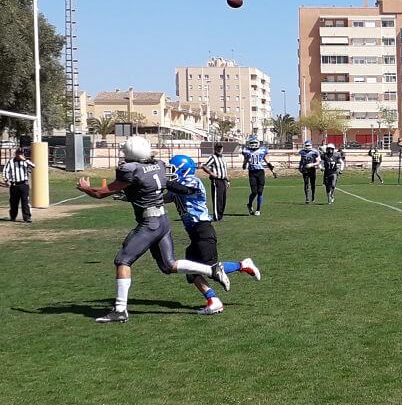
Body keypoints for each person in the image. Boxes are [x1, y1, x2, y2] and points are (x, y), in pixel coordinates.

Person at [75, 136, 231, 324]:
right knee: (168, 265)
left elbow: (100, 193)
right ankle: (211, 270)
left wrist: (85, 188)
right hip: (163, 221)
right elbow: (142, 185)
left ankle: (120, 309)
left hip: (150, 223)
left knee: (122, 260)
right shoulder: (158, 164)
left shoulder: (131, 170)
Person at [165, 154, 262, 315]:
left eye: (173, 169)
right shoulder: (176, 187)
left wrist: (164, 182)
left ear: (183, 169)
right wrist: (133, 196)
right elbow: (161, 198)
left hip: (203, 230)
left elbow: (185, 190)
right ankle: (213, 300)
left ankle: (243, 265)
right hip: (193, 234)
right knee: (191, 272)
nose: (169, 172)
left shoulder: (192, 182)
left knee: (211, 269)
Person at [241, 135, 276, 216]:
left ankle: (258, 209)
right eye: (251, 143)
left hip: (260, 172)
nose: (253, 144)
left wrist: (273, 171)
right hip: (252, 172)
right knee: (254, 192)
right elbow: (246, 159)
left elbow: (267, 161)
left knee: (260, 192)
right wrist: (244, 164)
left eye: (254, 142)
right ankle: (249, 204)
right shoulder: (246, 151)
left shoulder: (262, 150)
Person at [2, 148, 35, 223]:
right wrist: (6, 180)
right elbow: (5, 171)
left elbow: (33, 166)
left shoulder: (25, 162)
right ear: (16, 154)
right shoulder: (10, 162)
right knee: (14, 202)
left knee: (25, 201)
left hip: (24, 184)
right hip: (14, 185)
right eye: (18, 153)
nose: (19, 155)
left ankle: (27, 217)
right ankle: (13, 216)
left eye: (21, 153)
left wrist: (24, 160)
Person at [200, 143, 228, 221]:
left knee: (223, 199)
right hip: (217, 180)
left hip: (223, 180)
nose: (219, 149)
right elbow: (204, 166)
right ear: (215, 149)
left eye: (221, 148)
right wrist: (211, 173)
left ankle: (221, 215)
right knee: (217, 198)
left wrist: (227, 179)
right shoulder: (213, 157)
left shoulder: (223, 158)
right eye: (218, 148)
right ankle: (217, 216)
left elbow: (224, 170)